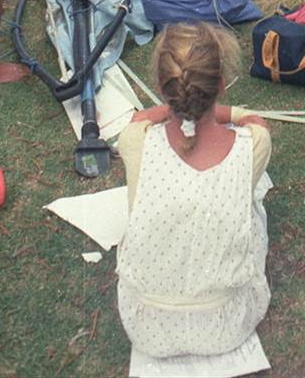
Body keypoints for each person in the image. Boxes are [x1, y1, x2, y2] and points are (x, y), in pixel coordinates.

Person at [116, 23, 271, 365]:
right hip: (227, 326)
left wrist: (175, 107)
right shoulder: (254, 144)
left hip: (147, 328)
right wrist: (222, 111)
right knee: (253, 210)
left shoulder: (135, 140)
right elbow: (256, 121)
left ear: (162, 89)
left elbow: (139, 118)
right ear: (221, 85)